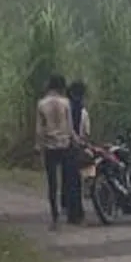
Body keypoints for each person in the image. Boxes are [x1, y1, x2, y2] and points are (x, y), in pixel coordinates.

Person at [34, 75, 76, 229]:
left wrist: (38, 146)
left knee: (52, 183)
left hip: (50, 146)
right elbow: (70, 126)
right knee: (68, 179)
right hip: (65, 144)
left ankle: (55, 217)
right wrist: (75, 140)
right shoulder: (66, 102)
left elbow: (39, 129)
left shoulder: (41, 104)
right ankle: (70, 211)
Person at [65, 80, 91, 223]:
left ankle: (70, 211)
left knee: (69, 181)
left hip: (66, 147)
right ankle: (77, 213)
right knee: (77, 181)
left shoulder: (66, 108)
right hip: (78, 148)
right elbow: (86, 133)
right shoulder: (83, 112)